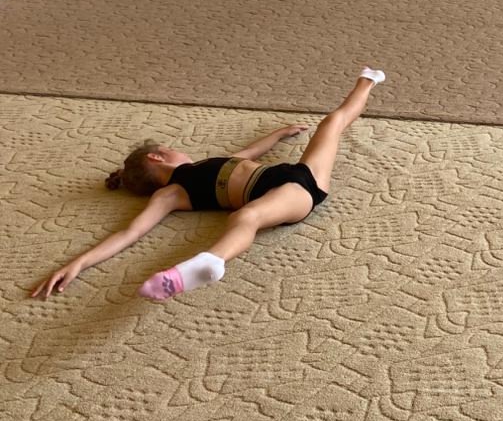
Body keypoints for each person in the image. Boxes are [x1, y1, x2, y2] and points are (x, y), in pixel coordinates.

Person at [31, 69, 386, 301]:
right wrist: (78, 263)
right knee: (245, 217)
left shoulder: (206, 165)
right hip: (291, 195)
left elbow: (250, 152)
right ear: (157, 157)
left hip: (295, 173)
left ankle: (368, 79)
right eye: (170, 147)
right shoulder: (170, 193)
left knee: (333, 122)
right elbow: (129, 233)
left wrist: (278, 134)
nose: (177, 148)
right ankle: (210, 262)